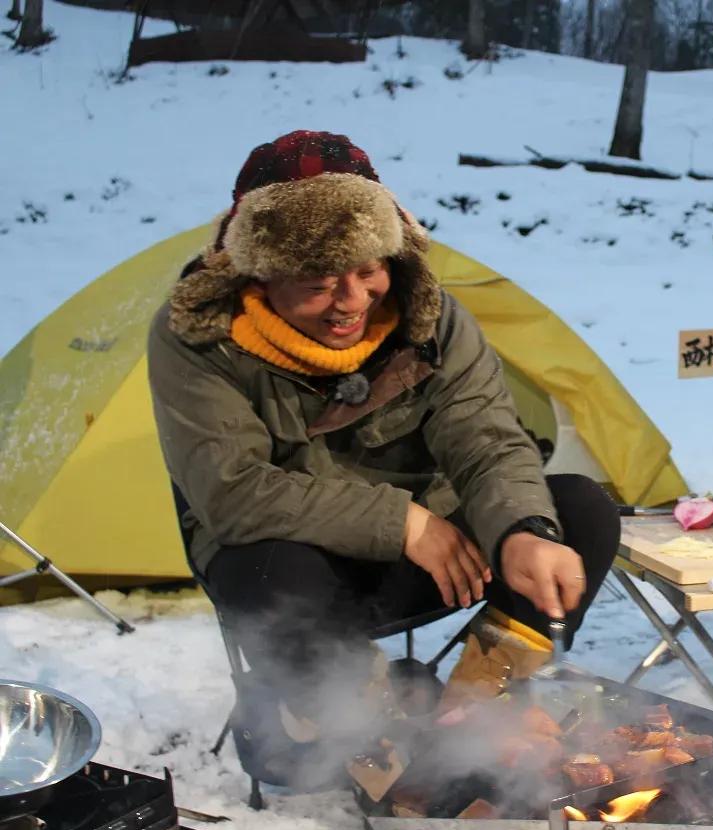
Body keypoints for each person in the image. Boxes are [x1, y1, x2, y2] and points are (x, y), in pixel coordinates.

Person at [147, 130, 620, 787]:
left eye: (368, 269)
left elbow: (485, 433)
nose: (351, 300)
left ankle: (476, 704)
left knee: (579, 512)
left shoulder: (429, 318)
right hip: (299, 570)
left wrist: (520, 531)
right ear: (259, 272)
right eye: (317, 283)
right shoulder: (202, 337)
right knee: (270, 571)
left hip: (432, 555)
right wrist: (405, 522)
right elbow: (233, 492)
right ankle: (370, 734)